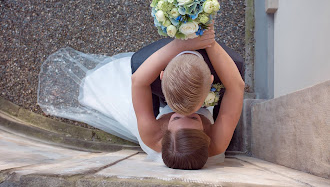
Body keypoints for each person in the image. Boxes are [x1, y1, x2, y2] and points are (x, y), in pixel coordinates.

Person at [37, 24, 244, 170]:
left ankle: (162, 101)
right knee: (234, 71)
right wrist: (209, 42)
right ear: (206, 137)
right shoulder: (216, 143)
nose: (186, 112)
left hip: (160, 103)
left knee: (140, 69)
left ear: (164, 134)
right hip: (200, 98)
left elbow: (138, 82)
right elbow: (236, 87)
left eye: (177, 118)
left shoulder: (151, 135)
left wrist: (180, 45)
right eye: (193, 119)